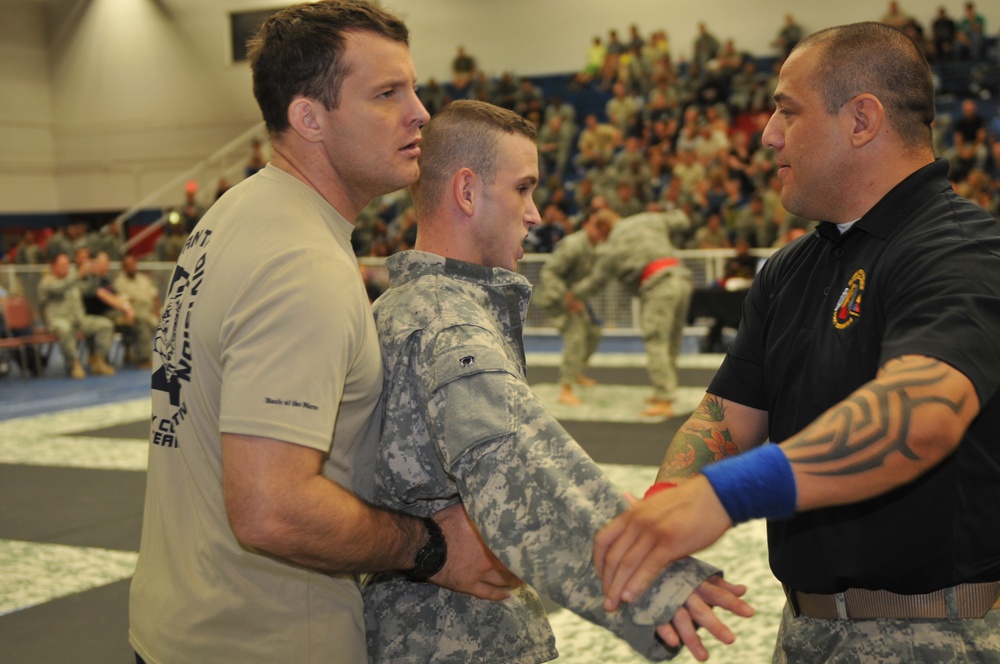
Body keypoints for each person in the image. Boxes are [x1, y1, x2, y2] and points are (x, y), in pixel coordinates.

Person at [593, 22, 1000, 662]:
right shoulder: (792, 269)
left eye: (787, 110)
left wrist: (724, 495)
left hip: (935, 635)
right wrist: (663, 516)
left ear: (861, 120)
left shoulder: (958, 247)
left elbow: (922, 413)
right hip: (806, 629)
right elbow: (726, 418)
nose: (768, 133)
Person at [129, 3, 506, 663]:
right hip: (263, 640)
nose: (420, 111)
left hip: (179, 623)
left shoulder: (234, 214)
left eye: (412, 88)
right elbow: (270, 508)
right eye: (387, 94)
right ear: (309, 117)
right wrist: (431, 546)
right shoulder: (301, 265)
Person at [364, 99, 753, 664]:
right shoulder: (449, 322)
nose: (536, 212)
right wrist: (654, 577)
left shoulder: (406, 307)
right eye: (523, 188)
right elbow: (517, 464)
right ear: (467, 192)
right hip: (456, 641)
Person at [566, 206, 692, 419]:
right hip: (681, 280)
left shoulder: (613, 246)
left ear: (605, 227)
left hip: (658, 285)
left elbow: (596, 281)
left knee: (656, 341)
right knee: (671, 340)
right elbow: (682, 220)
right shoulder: (649, 219)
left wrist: (574, 294)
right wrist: (669, 208)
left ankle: (664, 398)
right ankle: (666, 390)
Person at [535, 208, 617, 405]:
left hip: (573, 297)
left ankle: (576, 371)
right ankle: (566, 388)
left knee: (594, 331)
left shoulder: (596, 247)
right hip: (554, 297)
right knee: (576, 335)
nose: (600, 232)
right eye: (597, 226)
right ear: (587, 224)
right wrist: (566, 297)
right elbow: (549, 273)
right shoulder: (573, 245)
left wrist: (577, 297)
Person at [38, 252, 116, 379]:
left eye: (67, 265)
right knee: (65, 329)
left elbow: (90, 290)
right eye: (62, 265)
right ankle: (74, 364)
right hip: (58, 321)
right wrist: (78, 275)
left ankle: (98, 360)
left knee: (105, 325)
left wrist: (95, 275)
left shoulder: (73, 281)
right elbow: (59, 288)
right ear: (54, 267)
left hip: (79, 320)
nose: (65, 268)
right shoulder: (47, 282)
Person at [112, 254, 160, 368]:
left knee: (172, 316)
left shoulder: (144, 279)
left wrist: (156, 309)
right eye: (129, 265)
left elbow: (155, 296)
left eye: (133, 264)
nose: (132, 267)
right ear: (124, 267)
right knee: (143, 320)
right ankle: (145, 359)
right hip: (133, 311)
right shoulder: (119, 282)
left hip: (151, 308)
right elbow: (126, 302)